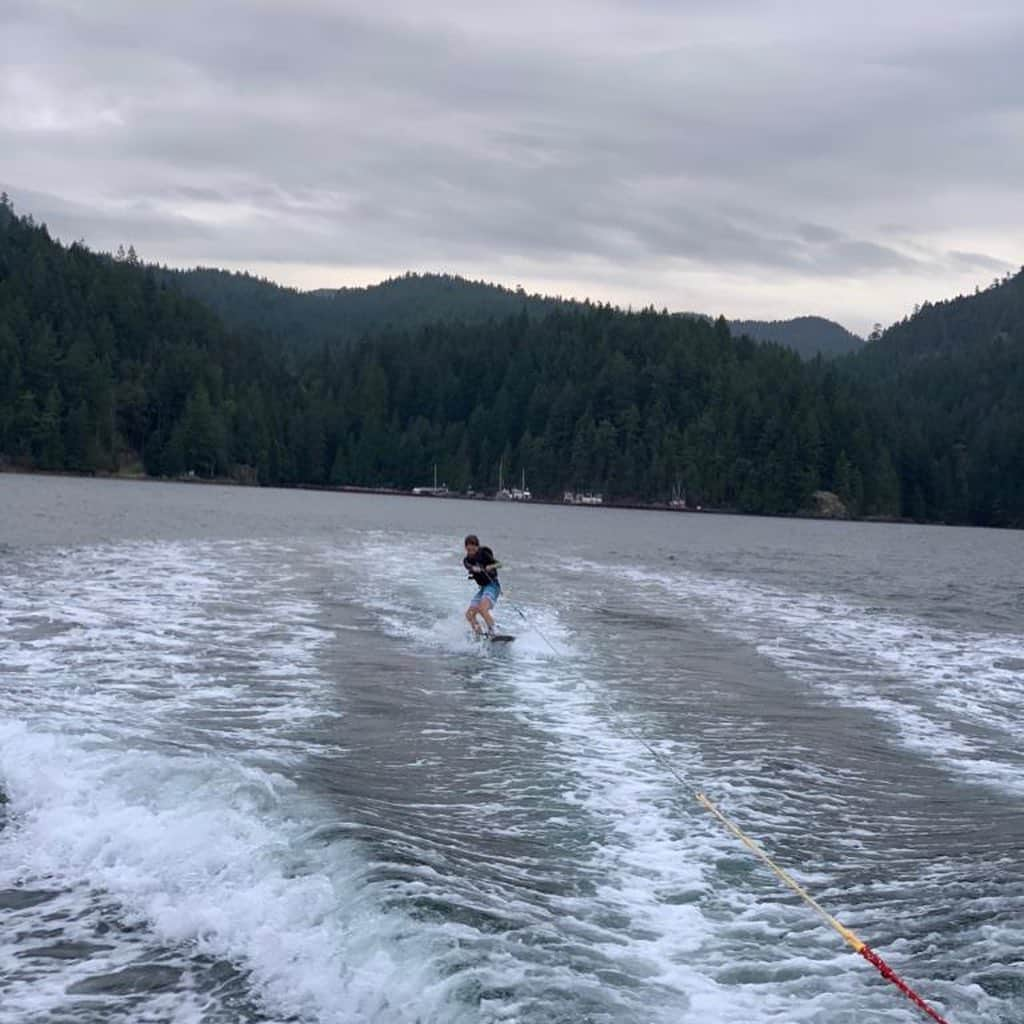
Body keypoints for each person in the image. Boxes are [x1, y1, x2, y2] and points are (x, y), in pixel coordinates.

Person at [463, 534, 501, 636]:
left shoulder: (484, 552)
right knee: (469, 615)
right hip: (483, 589)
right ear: (465, 548)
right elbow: (469, 566)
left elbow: (499, 564)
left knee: (482, 609)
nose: (471, 552)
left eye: (473, 550)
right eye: (468, 550)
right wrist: (473, 568)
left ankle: (494, 631)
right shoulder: (466, 560)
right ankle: (479, 633)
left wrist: (490, 566)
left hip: (493, 586)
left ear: (477, 547)